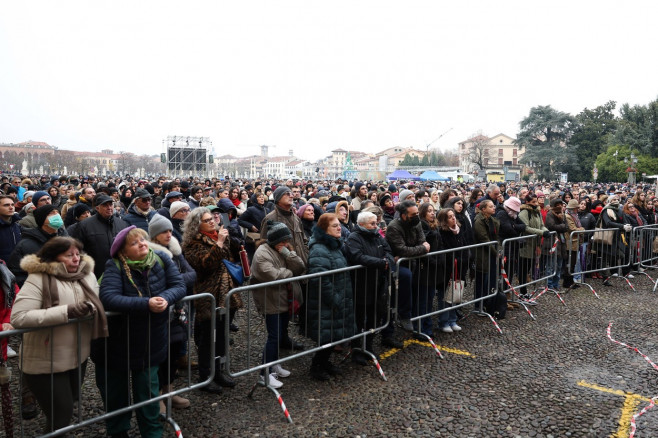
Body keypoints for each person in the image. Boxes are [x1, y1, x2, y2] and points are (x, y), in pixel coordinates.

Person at [96, 226, 186, 438]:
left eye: (143, 240)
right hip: (117, 343)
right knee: (116, 393)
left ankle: (152, 433)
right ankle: (118, 432)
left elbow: (179, 285)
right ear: (123, 251)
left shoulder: (161, 258)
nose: (143, 244)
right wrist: (146, 304)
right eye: (135, 243)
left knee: (148, 392)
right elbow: (108, 297)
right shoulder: (114, 265)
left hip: (150, 341)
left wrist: (166, 298)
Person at [11, 237, 107, 434]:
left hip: (78, 357)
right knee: (61, 415)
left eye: (77, 254)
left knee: (67, 407)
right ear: (53, 258)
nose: (76, 259)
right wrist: (68, 312)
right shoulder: (39, 277)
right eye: (68, 255)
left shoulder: (86, 275)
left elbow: (98, 303)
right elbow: (19, 318)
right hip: (44, 360)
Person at [182, 207, 240, 395]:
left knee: (222, 335)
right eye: (207, 220)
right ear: (197, 225)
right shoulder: (192, 244)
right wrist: (220, 243)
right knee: (208, 338)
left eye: (212, 219)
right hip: (208, 295)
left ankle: (219, 371)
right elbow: (205, 265)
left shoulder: (217, 236)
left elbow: (229, 258)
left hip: (226, 293)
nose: (212, 221)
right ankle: (206, 376)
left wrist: (225, 240)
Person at [148, 214, 196, 411]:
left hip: (177, 311)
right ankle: (157, 396)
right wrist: (175, 283)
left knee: (175, 352)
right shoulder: (149, 254)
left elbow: (192, 274)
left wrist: (174, 283)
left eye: (169, 230)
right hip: (160, 314)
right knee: (160, 354)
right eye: (163, 232)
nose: (168, 234)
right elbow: (156, 284)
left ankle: (169, 392)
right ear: (154, 235)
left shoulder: (175, 250)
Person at [250, 222, 306, 388]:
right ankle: (264, 374)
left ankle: (274, 364)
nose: (285, 244)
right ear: (273, 241)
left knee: (280, 333)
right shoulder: (262, 254)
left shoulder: (283, 249)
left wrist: (289, 255)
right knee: (273, 336)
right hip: (271, 300)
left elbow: (300, 267)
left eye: (286, 241)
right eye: (282, 241)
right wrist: (289, 273)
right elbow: (274, 276)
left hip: (283, 298)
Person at [306, 213, 355, 381]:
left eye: (339, 225)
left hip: (337, 298)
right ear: (324, 229)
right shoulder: (319, 249)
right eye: (334, 226)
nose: (339, 228)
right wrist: (335, 299)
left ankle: (324, 363)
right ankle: (316, 367)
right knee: (326, 335)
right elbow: (320, 279)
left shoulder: (334, 245)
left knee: (332, 334)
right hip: (327, 302)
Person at [344, 211, 396, 362]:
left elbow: (388, 251)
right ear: (361, 224)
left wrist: (387, 260)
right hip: (361, 283)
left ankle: (369, 346)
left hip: (378, 282)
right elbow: (357, 256)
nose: (376, 226)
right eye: (372, 223)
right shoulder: (354, 237)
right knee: (359, 318)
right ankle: (356, 349)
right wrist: (381, 263)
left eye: (376, 223)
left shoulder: (377, 235)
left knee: (375, 316)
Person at [385, 200, 430, 333]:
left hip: (413, 262)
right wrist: (420, 249)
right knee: (404, 280)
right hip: (397, 266)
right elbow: (402, 250)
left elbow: (423, 242)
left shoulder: (417, 223)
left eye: (417, 213)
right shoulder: (394, 226)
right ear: (404, 215)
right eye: (413, 214)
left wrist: (417, 249)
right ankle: (404, 315)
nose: (417, 216)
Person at [69, 194, 128, 279]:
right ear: (97, 208)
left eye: (110, 204)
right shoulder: (85, 225)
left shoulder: (121, 223)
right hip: (95, 273)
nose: (109, 207)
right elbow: (78, 249)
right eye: (105, 205)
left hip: (119, 272)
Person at [8, 205, 68, 287]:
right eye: (51, 213)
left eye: (57, 212)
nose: (56, 215)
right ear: (42, 219)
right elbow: (18, 274)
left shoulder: (67, 238)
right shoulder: (26, 245)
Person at [437, 208, 468, 332]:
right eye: (450, 217)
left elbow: (465, 246)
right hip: (448, 268)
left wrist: (465, 259)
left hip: (459, 266)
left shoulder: (459, 230)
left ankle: (452, 319)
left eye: (453, 215)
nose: (453, 218)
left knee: (455, 294)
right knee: (445, 296)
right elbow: (444, 250)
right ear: (444, 220)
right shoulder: (442, 232)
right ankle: (444, 322)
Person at [518, 194, 551, 297]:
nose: (535, 204)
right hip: (525, 245)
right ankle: (522, 292)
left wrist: (546, 231)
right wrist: (541, 233)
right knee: (523, 270)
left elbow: (541, 225)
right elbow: (526, 228)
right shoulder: (524, 212)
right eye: (533, 202)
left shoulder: (537, 212)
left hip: (534, 244)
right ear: (527, 202)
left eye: (536, 201)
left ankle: (525, 291)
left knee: (528, 269)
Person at [473, 200, 501, 314]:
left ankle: (487, 303)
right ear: (483, 209)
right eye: (490, 206)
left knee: (489, 279)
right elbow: (484, 239)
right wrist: (496, 252)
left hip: (491, 252)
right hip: (482, 253)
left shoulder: (492, 220)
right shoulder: (479, 221)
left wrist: (497, 250)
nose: (494, 208)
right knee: (481, 279)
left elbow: (495, 235)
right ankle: (479, 305)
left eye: (493, 206)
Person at [545, 199, 570, 290]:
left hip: (561, 242)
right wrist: (562, 226)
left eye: (561, 204)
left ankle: (556, 283)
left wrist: (562, 226)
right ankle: (549, 284)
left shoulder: (563, 215)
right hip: (552, 242)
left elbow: (567, 227)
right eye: (557, 204)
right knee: (551, 265)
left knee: (559, 265)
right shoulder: (550, 214)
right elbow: (551, 226)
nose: (559, 206)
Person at [564, 199, 585, 289]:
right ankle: (567, 282)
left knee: (573, 263)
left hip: (574, 242)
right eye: (576, 208)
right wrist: (582, 229)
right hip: (570, 242)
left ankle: (570, 281)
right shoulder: (568, 216)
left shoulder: (574, 215)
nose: (578, 209)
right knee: (570, 263)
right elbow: (572, 229)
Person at [0, 195, 21, 262]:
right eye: (6, 205)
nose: (11, 207)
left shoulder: (17, 225)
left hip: (17, 268)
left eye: (12, 205)